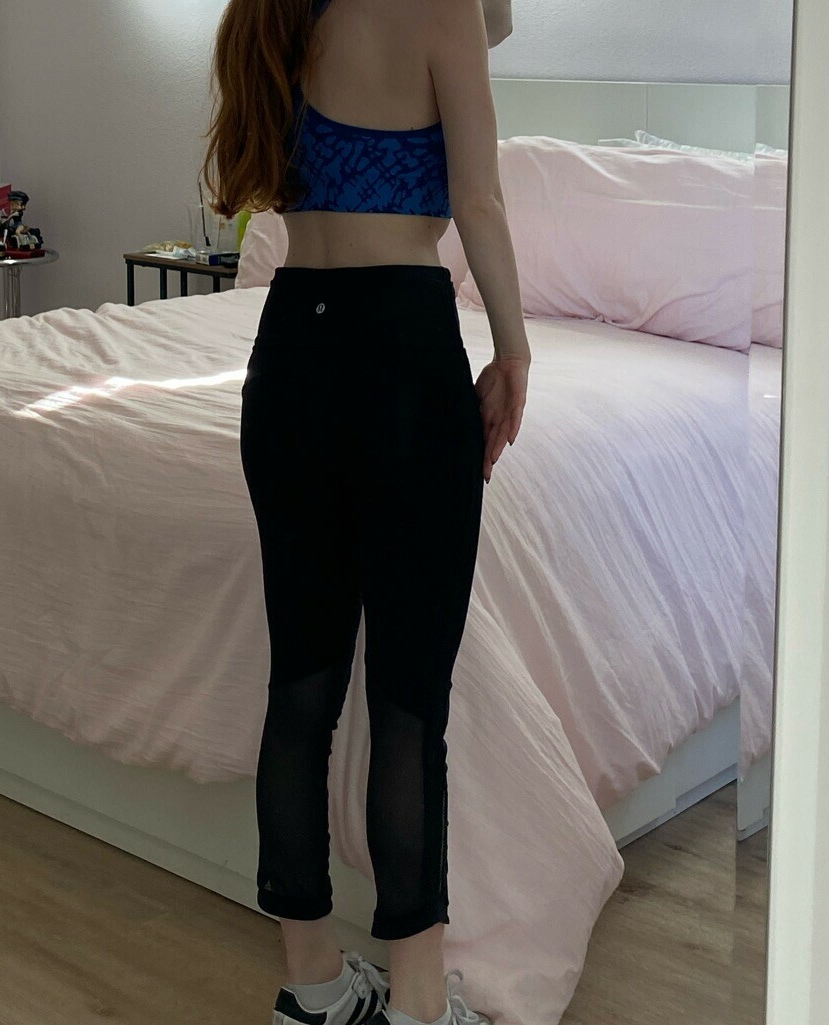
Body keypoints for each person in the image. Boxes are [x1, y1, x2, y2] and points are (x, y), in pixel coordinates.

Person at [201, 1, 529, 1024]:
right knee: (406, 700)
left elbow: (494, 26)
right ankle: (420, 1003)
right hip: (400, 353)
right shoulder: (438, 10)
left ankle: (312, 986)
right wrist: (514, 349)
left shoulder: (272, 13)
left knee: (300, 687)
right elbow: (476, 197)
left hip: (290, 351)